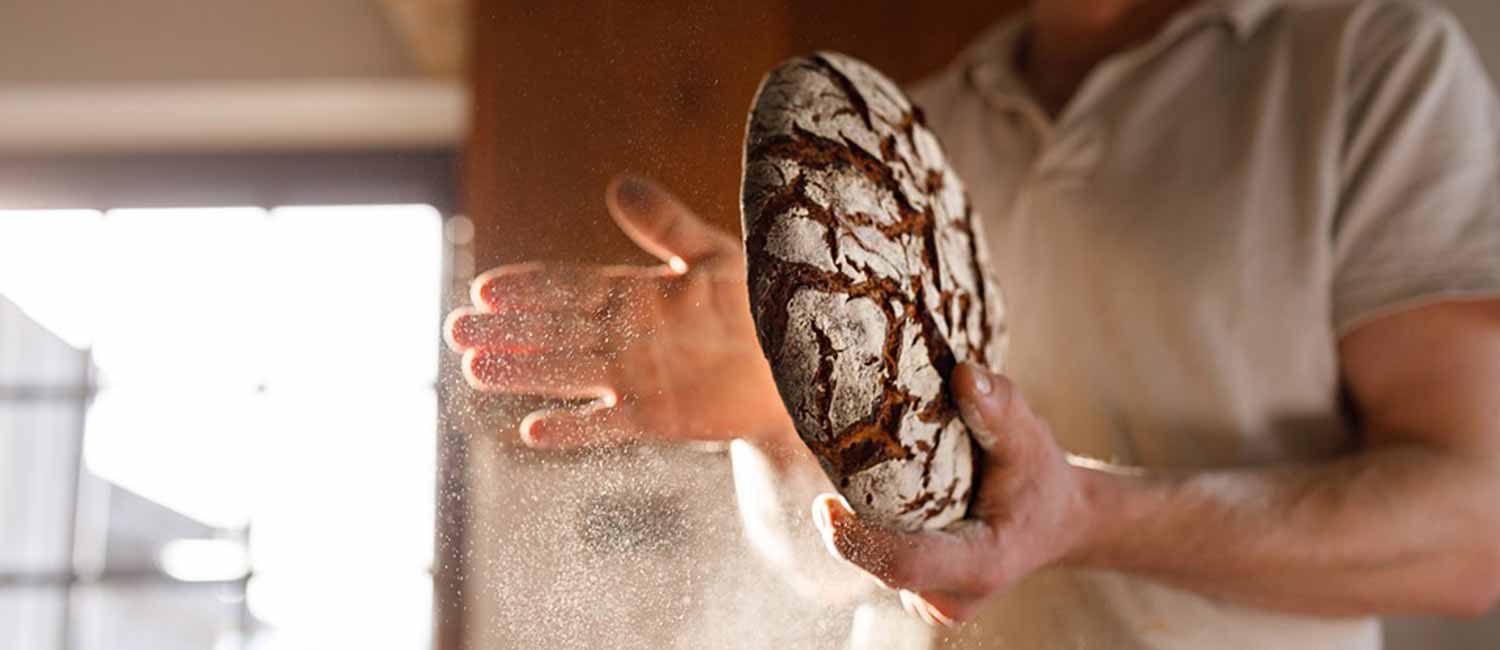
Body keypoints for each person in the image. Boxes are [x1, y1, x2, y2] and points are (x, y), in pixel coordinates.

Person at [444, 0, 1500, 647]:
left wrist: (1086, 513)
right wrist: (777, 415)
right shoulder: (900, 133)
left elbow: (1473, 530)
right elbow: (839, 565)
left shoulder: (1369, 68)